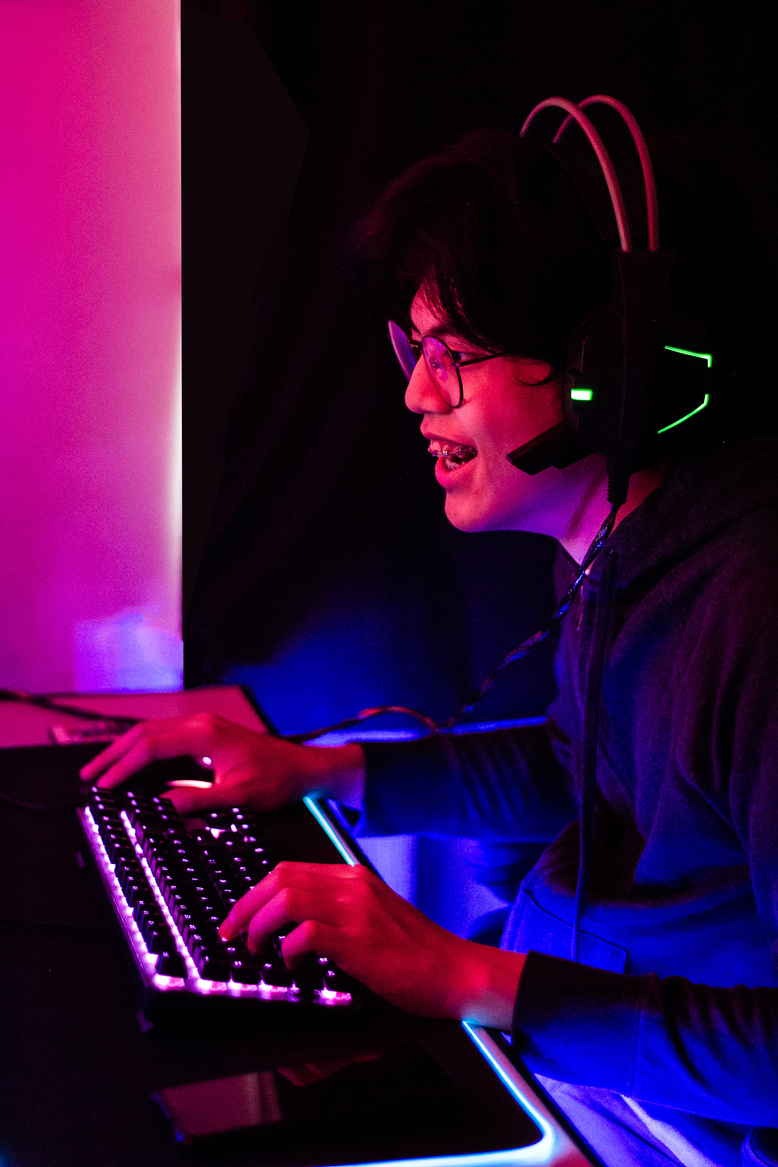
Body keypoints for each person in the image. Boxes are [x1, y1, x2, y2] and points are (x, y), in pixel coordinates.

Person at [81, 126, 778, 1167]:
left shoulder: (754, 607)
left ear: (613, 370)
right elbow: (573, 769)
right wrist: (320, 772)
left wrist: (467, 976)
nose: (417, 396)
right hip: (570, 1067)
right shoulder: (613, 544)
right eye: (416, 352)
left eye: (455, 355)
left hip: (679, 1128)